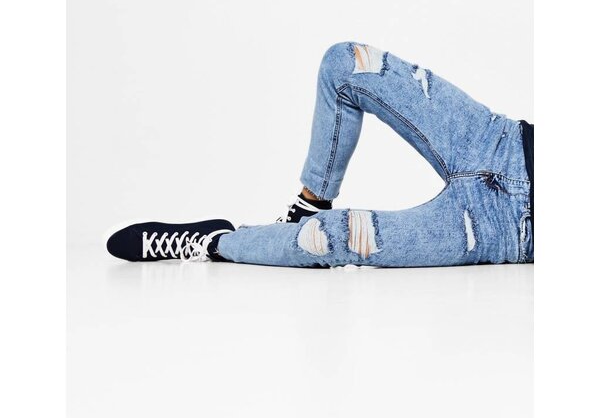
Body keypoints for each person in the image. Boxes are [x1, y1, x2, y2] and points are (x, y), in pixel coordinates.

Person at [106, 42, 534, 268]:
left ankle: (215, 242)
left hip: (507, 229)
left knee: (327, 239)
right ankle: (308, 206)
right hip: (501, 141)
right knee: (347, 64)